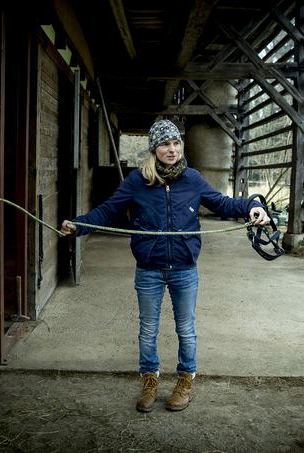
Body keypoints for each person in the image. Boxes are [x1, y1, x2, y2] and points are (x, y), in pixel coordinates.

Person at [60, 119, 269, 412]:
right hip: (149, 270)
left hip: (184, 269)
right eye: (164, 144)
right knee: (148, 329)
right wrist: (79, 225)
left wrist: (251, 206)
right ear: (154, 149)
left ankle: (185, 381)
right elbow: (108, 211)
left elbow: (222, 203)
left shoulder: (193, 179)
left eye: (175, 143)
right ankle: (150, 381)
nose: (171, 149)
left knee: (186, 329)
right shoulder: (137, 181)